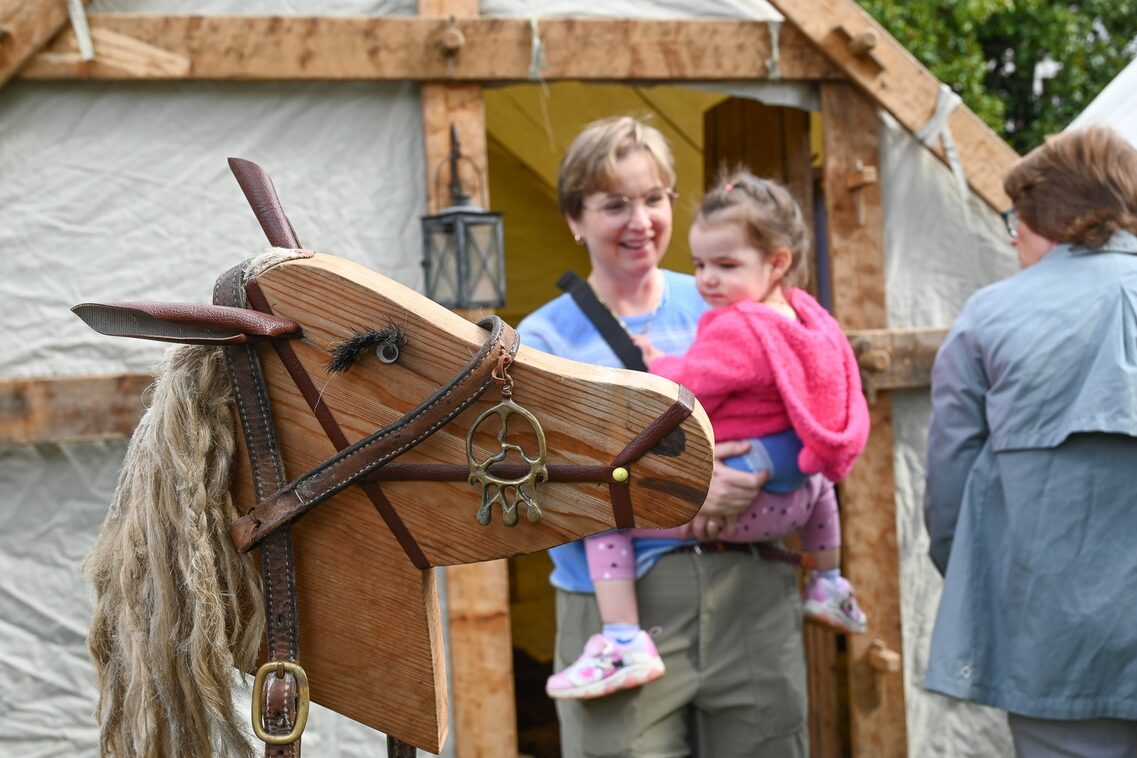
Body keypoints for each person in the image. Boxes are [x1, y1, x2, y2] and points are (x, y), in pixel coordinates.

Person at [517, 116, 809, 757]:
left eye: (653, 199)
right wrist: (685, 493)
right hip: (618, 613)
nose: (640, 220)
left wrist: (761, 463)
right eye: (615, 204)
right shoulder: (542, 342)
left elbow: (808, 424)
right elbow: (546, 491)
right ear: (574, 217)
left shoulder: (730, 299)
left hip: (751, 594)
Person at [545, 170, 872, 702]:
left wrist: (658, 369)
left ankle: (623, 639)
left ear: (777, 261)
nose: (707, 281)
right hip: (794, 502)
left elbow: (690, 387)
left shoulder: (737, 323)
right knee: (820, 489)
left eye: (724, 265)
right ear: (575, 218)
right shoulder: (810, 320)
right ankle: (830, 582)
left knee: (604, 514)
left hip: (736, 509)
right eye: (700, 266)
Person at [924, 126, 1137, 756]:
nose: (1013, 237)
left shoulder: (988, 316)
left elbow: (948, 488)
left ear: (1055, 218)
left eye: (1016, 219)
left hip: (1053, 640)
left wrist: (981, 580)